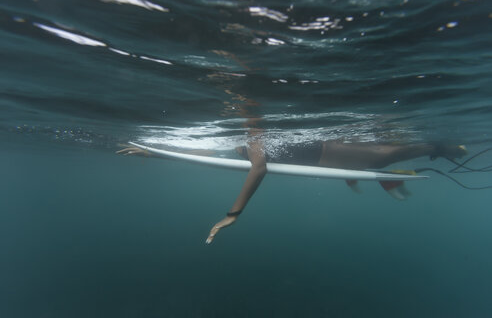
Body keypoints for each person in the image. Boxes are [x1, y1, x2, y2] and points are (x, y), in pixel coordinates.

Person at [117, 139, 467, 244]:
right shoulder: (233, 140)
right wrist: (155, 150)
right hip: (321, 160)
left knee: (388, 153)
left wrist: (232, 214)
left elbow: (260, 167)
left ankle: (442, 146)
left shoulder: (254, 134)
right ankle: (389, 176)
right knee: (369, 164)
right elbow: (208, 152)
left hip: (325, 152)